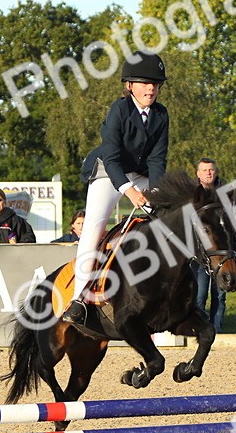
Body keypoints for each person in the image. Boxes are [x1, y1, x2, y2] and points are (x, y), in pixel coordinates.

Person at [63, 51, 169, 324]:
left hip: (142, 176)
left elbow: (158, 158)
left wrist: (154, 192)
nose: (151, 88)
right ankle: (78, 300)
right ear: (130, 86)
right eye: (145, 83)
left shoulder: (161, 114)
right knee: (92, 230)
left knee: (168, 214)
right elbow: (111, 158)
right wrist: (129, 191)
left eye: (155, 84)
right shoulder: (119, 110)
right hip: (109, 174)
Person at [191, 158, 236, 333]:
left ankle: (217, 330)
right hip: (201, 255)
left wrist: (233, 249)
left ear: (216, 172)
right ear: (198, 174)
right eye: (204, 170)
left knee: (220, 294)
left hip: (224, 253)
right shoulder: (193, 195)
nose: (208, 173)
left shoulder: (225, 194)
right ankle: (201, 330)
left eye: (211, 170)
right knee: (200, 294)